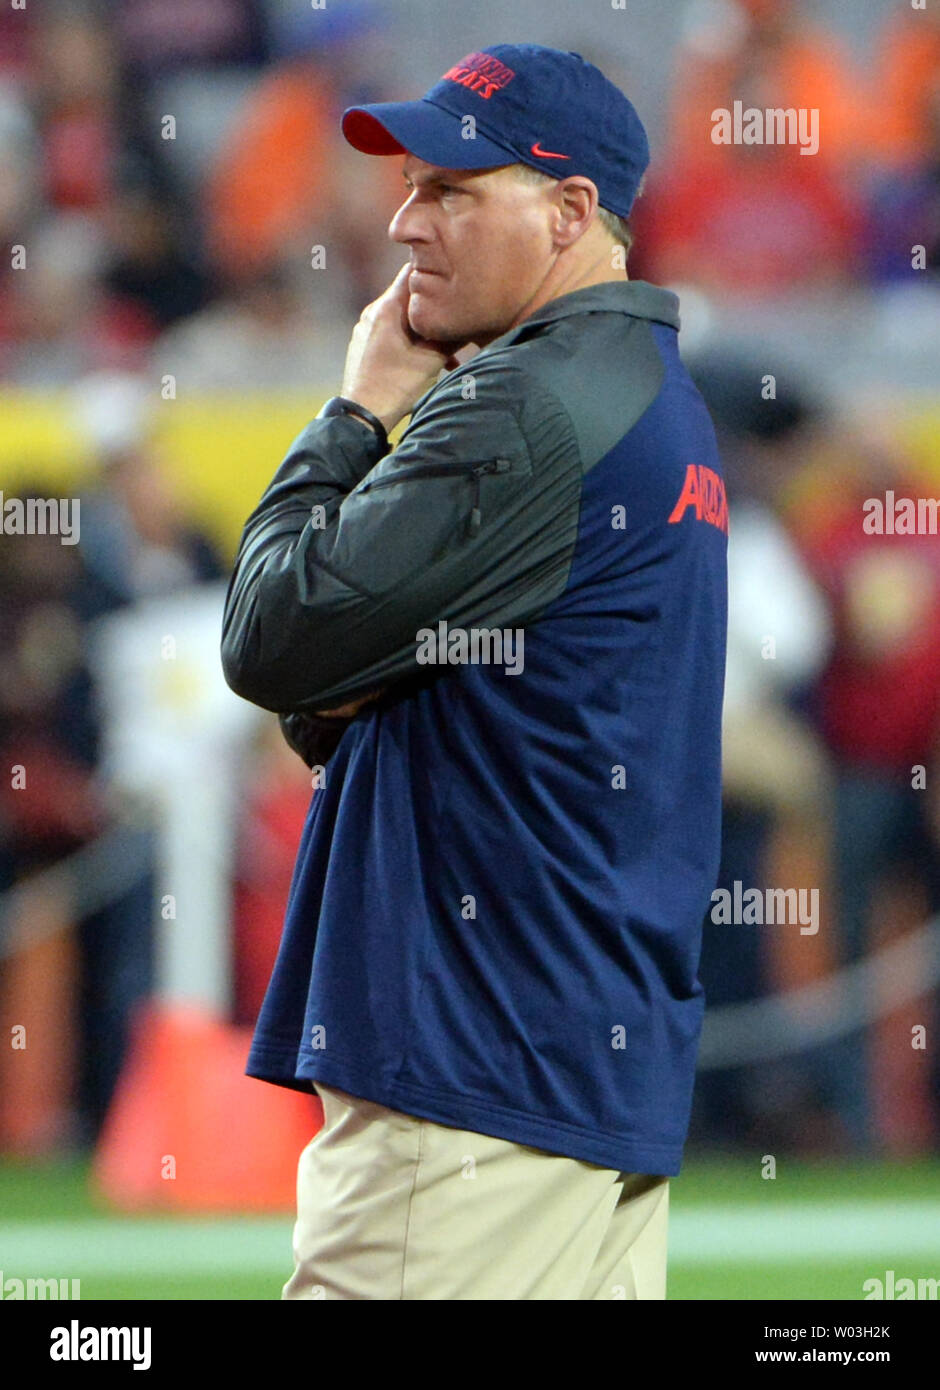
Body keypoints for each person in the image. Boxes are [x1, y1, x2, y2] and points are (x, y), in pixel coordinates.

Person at [221, 43, 728, 1301]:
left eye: (452, 187)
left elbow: (273, 638)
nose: (404, 223)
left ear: (569, 213)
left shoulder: (522, 403)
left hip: (471, 1069)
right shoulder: (652, 397)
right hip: (580, 1066)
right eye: (408, 188)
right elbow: (341, 690)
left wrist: (350, 418)